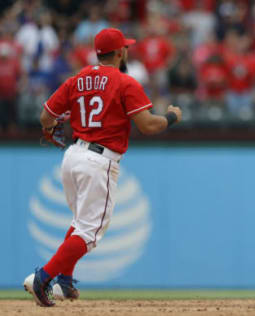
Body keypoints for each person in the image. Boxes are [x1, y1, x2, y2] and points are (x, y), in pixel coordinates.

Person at [23, 28, 182, 307]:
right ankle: (44, 278)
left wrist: (50, 130)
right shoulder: (124, 82)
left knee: (79, 222)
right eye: (126, 48)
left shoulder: (78, 78)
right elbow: (147, 125)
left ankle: (65, 281)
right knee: (89, 233)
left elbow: (46, 116)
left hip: (72, 155)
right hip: (100, 160)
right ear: (120, 52)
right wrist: (171, 116)